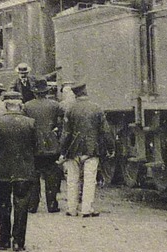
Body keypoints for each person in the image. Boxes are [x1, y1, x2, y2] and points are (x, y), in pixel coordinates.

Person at [0, 91, 36, 251]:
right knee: (21, 205)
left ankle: (4, 240)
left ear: (6, 105)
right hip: (23, 169)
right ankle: (18, 242)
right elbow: (36, 146)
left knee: (3, 205)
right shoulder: (31, 123)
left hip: (2, 170)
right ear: (20, 105)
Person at [60, 82, 111, 217]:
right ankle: (86, 209)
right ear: (86, 93)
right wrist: (110, 148)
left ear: (75, 95)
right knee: (89, 180)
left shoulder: (70, 109)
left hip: (73, 150)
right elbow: (106, 131)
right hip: (91, 150)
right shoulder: (97, 108)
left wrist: (62, 151)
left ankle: (71, 209)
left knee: (72, 180)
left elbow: (66, 134)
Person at [23, 79, 65, 214]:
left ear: (34, 93)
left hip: (33, 144)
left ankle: (32, 205)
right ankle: (52, 205)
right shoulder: (55, 105)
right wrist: (56, 130)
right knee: (52, 175)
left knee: (33, 176)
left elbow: (24, 125)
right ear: (46, 92)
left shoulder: (27, 106)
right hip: (51, 144)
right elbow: (63, 121)